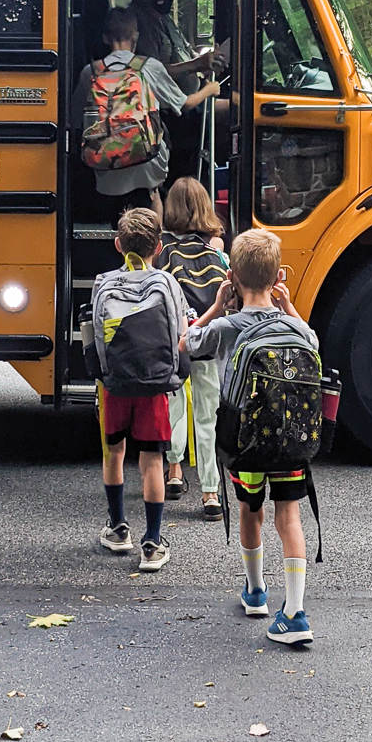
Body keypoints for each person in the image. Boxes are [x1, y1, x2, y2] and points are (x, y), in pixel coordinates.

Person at [182, 228, 318, 646]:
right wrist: (288, 304)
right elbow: (312, 341)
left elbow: (187, 343)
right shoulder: (297, 329)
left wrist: (216, 307)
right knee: (289, 517)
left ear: (232, 276)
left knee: (249, 510)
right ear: (278, 275)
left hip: (245, 441)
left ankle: (256, 591)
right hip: (292, 438)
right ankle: (294, 613)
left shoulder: (227, 324)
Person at [94, 207, 191, 572]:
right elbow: (182, 332)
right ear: (159, 246)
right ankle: (152, 543)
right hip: (154, 386)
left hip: (116, 384)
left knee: (113, 453)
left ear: (118, 245)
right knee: (152, 461)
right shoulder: (167, 284)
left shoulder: (105, 282)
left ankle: (119, 529)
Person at [71, 7, 219, 218]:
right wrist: (208, 90)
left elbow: (76, 120)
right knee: (154, 191)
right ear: (136, 36)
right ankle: (154, 239)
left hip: (104, 164)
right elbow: (184, 104)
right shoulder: (148, 67)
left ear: (105, 38)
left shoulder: (90, 72)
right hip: (146, 162)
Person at [157, 177, 229, 520]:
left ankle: (173, 472)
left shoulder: (163, 248)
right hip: (209, 339)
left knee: (175, 407)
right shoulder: (217, 251)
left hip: (177, 341)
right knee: (207, 415)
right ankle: (210, 492)